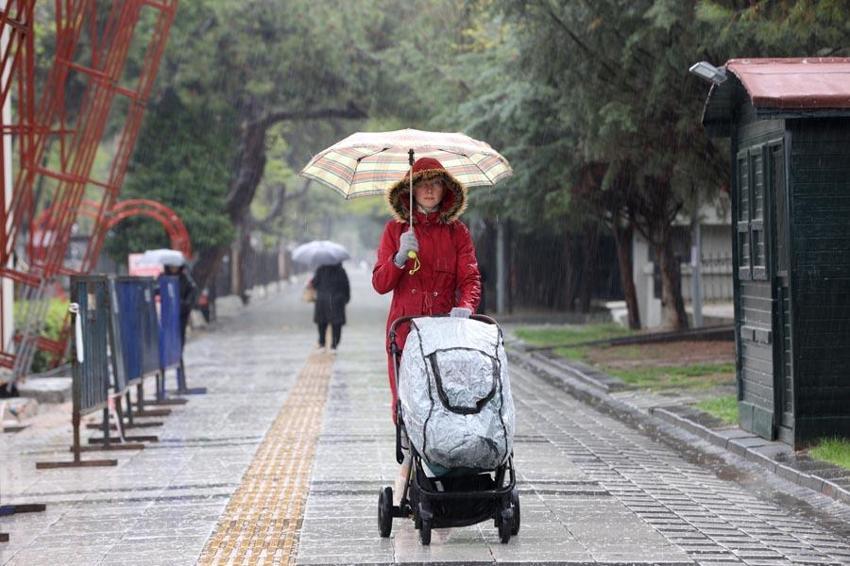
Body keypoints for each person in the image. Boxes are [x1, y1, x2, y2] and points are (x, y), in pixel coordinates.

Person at [372, 156, 482, 418]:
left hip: (443, 329)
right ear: (411, 190)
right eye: (423, 185)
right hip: (404, 330)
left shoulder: (457, 232)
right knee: (407, 401)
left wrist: (465, 306)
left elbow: (470, 279)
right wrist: (399, 257)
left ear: (446, 189)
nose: (430, 190)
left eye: (436, 184)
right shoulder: (394, 230)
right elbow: (380, 284)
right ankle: (408, 451)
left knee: (444, 398)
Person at [312, 262, 350, 351]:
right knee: (336, 324)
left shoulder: (320, 270)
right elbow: (346, 286)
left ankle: (322, 343)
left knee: (322, 323)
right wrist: (346, 298)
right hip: (337, 301)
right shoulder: (341, 271)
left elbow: (314, 284)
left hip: (323, 300)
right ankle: (334, 345)